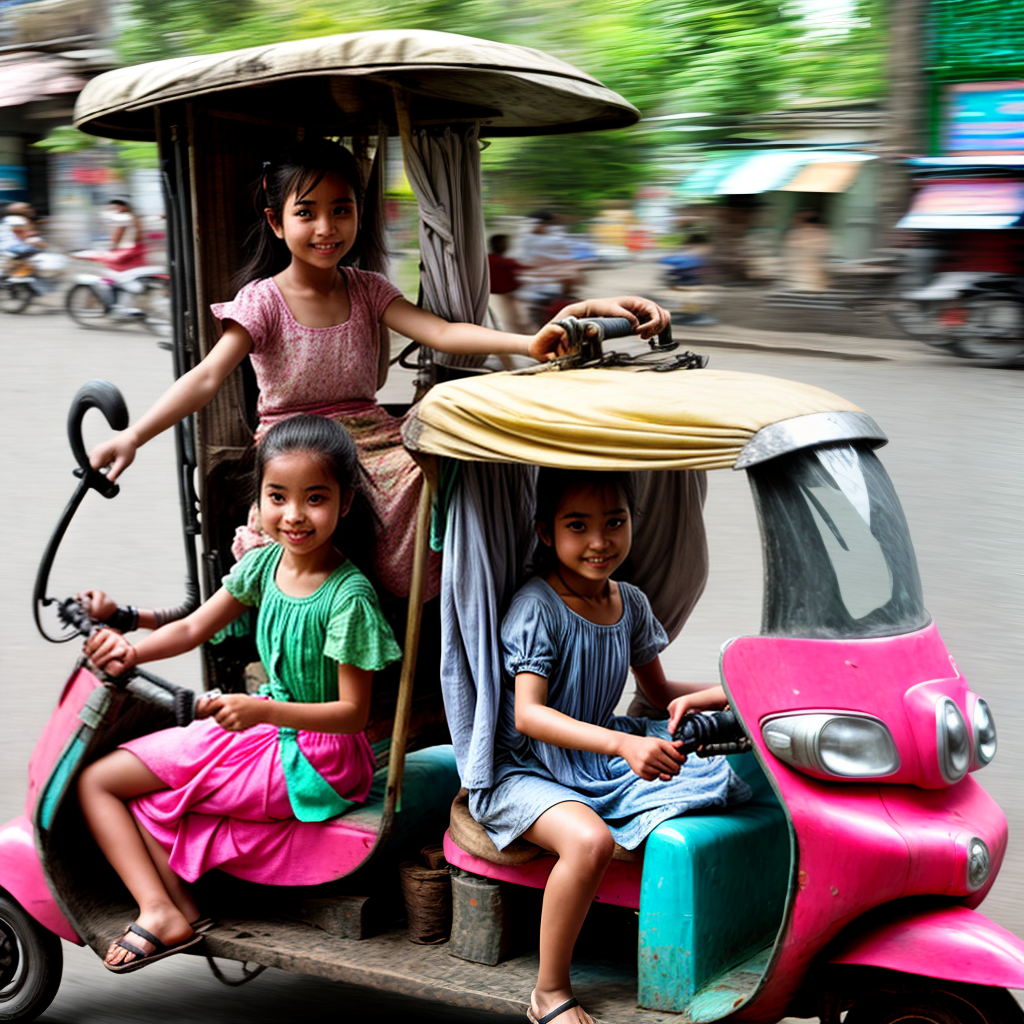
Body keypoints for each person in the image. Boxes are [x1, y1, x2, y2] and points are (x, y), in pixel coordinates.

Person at [86, 139, 670, 598]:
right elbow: (207, 377)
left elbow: (441, 331)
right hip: (297, 444)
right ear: (276, 222)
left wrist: (528, 342)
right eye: (307, 212)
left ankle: (491, 589)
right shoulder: (261, 301)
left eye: (341, 210)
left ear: (359, 216)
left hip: (374, 436)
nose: (325, 228)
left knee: (462, 454)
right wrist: (134, 435)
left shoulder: (367, 289)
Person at [77, 414, 402, 973]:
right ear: (260, 501)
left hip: (318, 758)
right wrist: (131, 649)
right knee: (106, 782)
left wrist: (259, 709)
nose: (295, 515)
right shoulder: (264, 563)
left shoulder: (349, 599)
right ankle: (174, 911)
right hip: (262, 731)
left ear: (345, 503)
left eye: (315, 498)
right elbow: (192, 628)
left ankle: (159, 909)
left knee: (112, 785)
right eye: (278, 496)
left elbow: (353, 716)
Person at [470, 468, 750, 1024]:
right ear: (546, 533)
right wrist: (623, 744)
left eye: (614, 522)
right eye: (579, 526)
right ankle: (549, 990)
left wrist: (744, 691)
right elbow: (528, 715)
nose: (599, 541)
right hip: (524, 770)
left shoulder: (632, 603)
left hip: (598, 755)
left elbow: (661, 692)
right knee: (590, 842)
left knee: (732, 777)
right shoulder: (536, 608)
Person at [487, 233, 528, 334]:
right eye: (505, 243)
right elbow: (524, 269)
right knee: (512, 320)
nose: (507, 245)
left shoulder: (486, 260)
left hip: (496, 294)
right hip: (505, 295)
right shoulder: (506, 262)